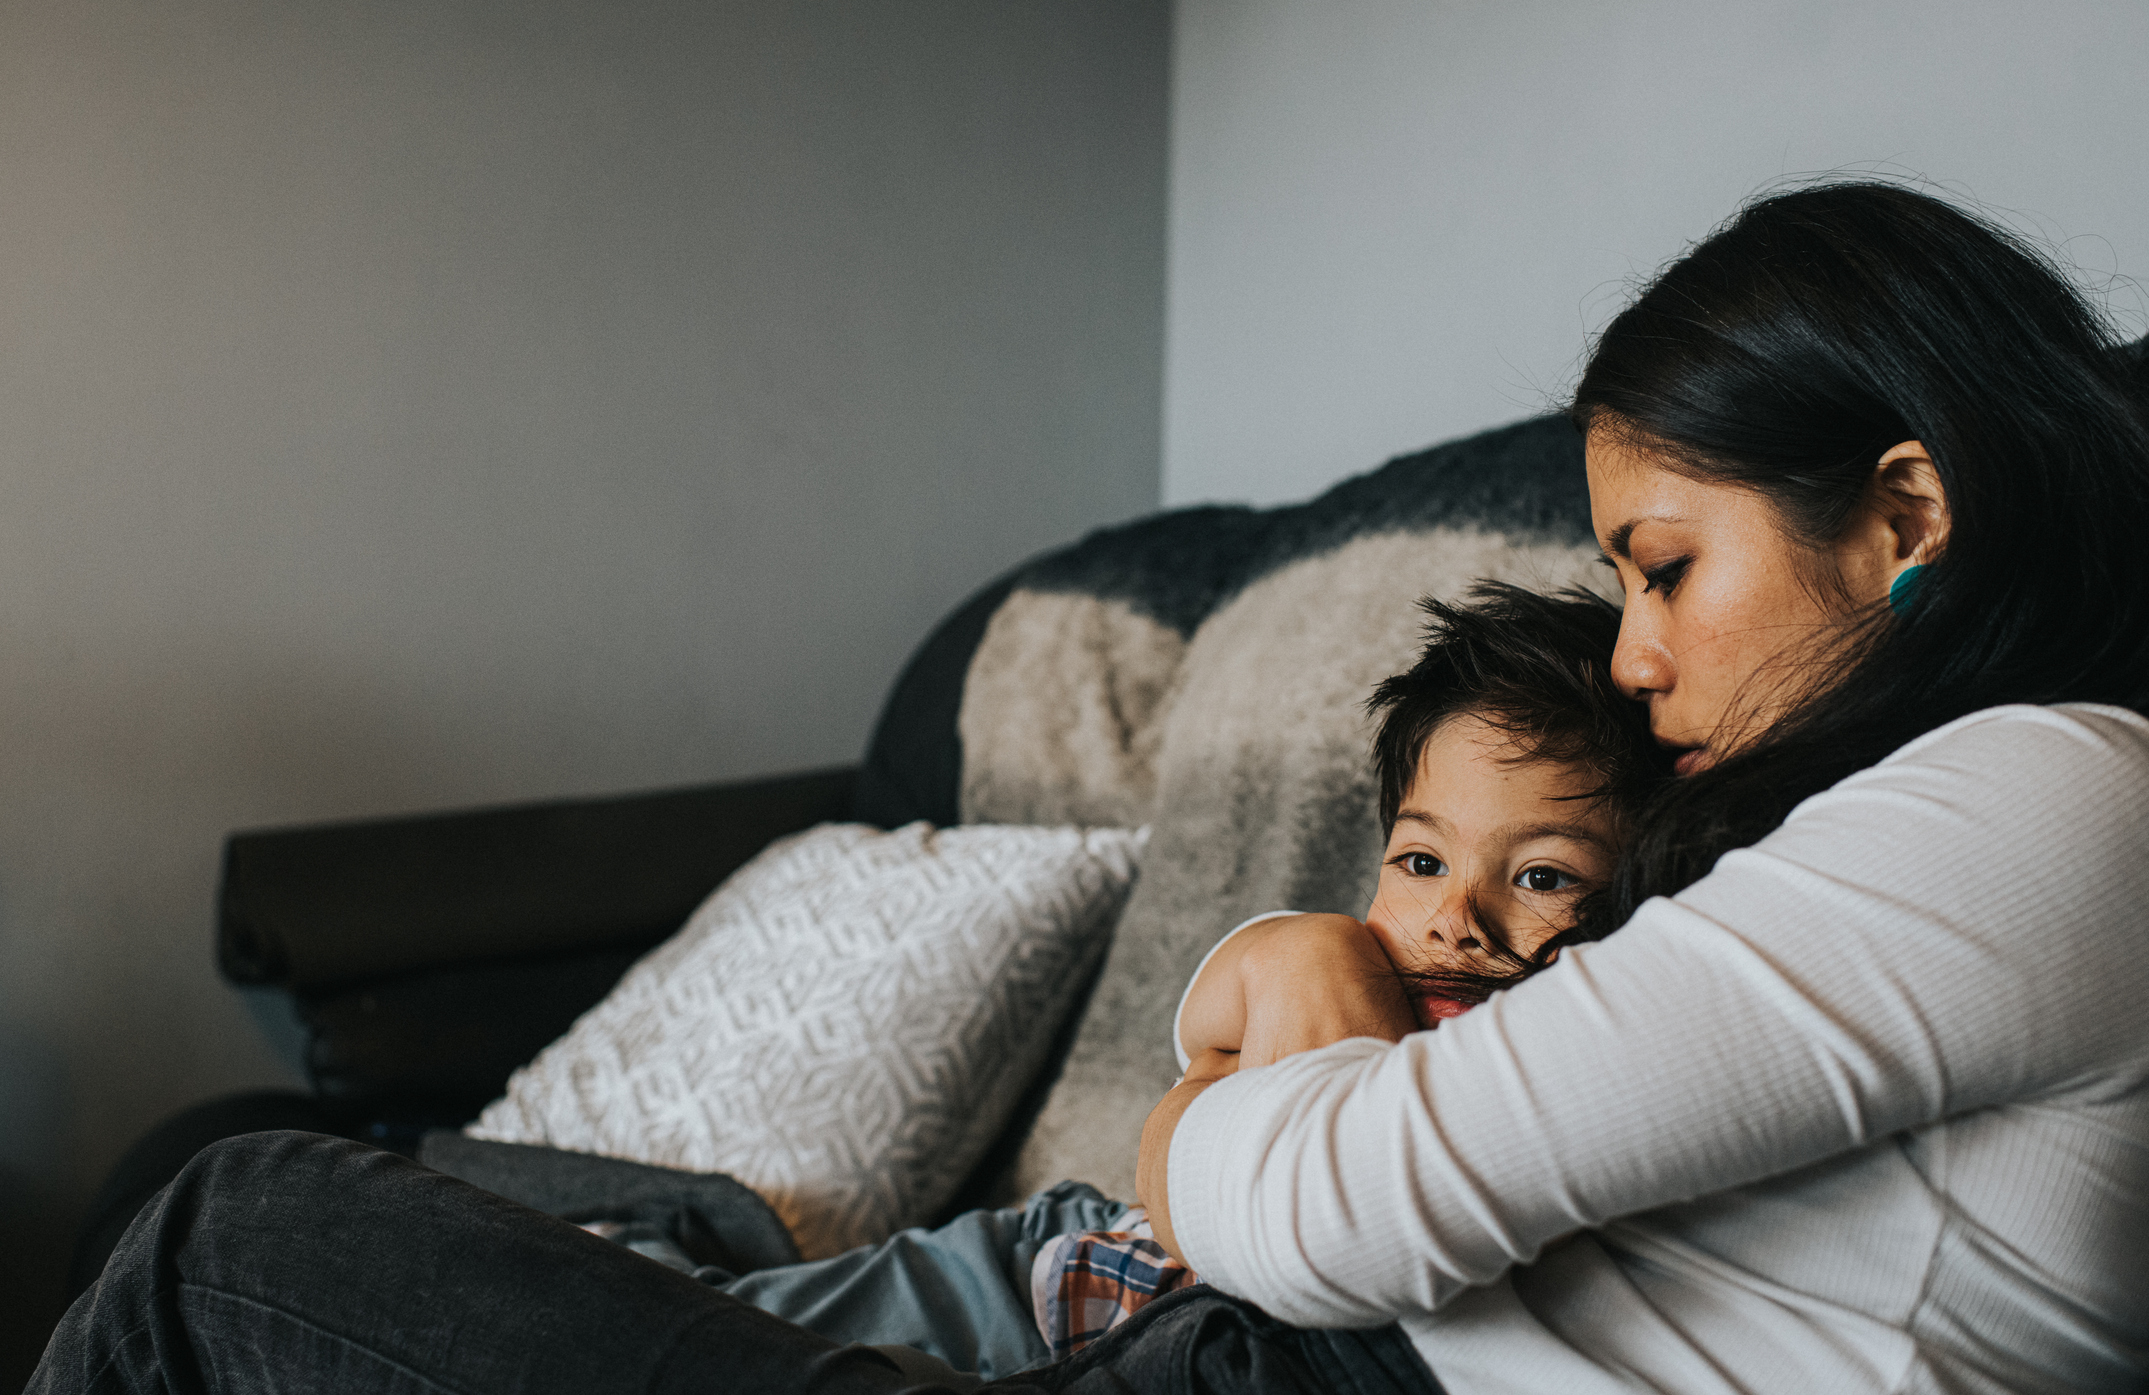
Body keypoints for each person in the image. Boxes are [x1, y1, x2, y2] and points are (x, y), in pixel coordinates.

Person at [33, 181, 2149, 1395]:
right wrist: (1284, 964)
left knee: (241, 1224)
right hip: (1198, 1334)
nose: (1631, 651)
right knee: (270, 1167)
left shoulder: (2055, 805)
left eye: (1665, 567)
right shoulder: (1871, 828)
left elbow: (1341, 1205)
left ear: (1905, 508)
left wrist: (1260, 1051)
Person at [1033, 583, 1673, 1360]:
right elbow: (1207, 1016)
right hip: (1075, 1251)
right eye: (1420, 860)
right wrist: (1297, 950)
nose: (1453, 918)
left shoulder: (1568, 1051)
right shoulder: (1359, 960)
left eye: (1542, 877)